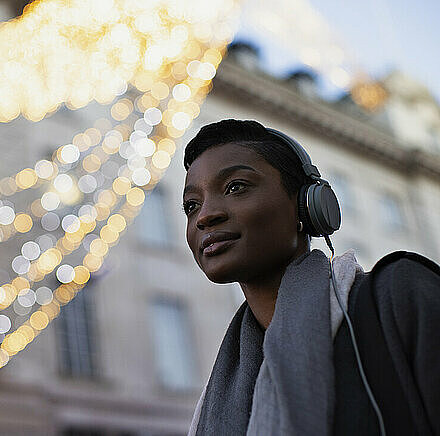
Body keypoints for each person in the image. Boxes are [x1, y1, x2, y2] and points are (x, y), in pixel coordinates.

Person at [182, 119, 440, 436]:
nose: (206, 215)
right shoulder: (219, 393)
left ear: (307, 205)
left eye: (236, 187)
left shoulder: (398, 295)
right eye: (192, 205)